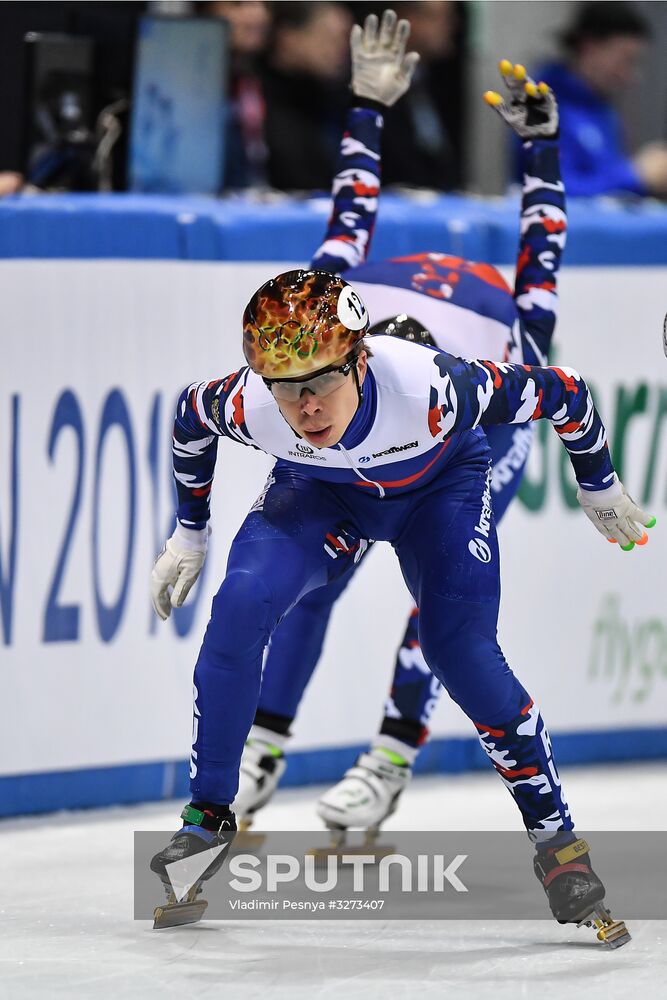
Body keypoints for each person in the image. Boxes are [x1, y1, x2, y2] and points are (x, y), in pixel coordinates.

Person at [149, 13, 653, 939]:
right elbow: (192, 414)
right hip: (330, 488)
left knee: (464, 650)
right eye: (284, 390)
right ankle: (208, 815)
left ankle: (554, 842)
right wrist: (189, 529)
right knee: (241, 606)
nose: (300, 408)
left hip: (442, 476)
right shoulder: (265, 386)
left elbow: (565, 379)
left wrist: (595, 482)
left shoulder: (445, 387)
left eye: (317, 389)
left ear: (361, 363)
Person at [230, 49, 564, 837]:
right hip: (407, 312)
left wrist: (541, 151)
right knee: (314, 573)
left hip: (477, 428)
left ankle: (387, 759)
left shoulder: (492, 364)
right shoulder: (327, 318)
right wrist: (365, 105)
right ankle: (262, 746)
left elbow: (541, 265)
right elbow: (348, 216)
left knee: (446, 602)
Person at [533, 1, 667, 198]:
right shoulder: (540, 103)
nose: (630, 75)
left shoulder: (603, 110)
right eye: (626, 60)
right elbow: (549, 190)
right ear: (591, 48)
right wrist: (636, 175)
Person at [262, 2, 353, 190]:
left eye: (345, 40)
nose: (341, 50)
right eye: (329, 38)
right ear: (289, 38)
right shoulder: (256, 98)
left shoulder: (334, 97)